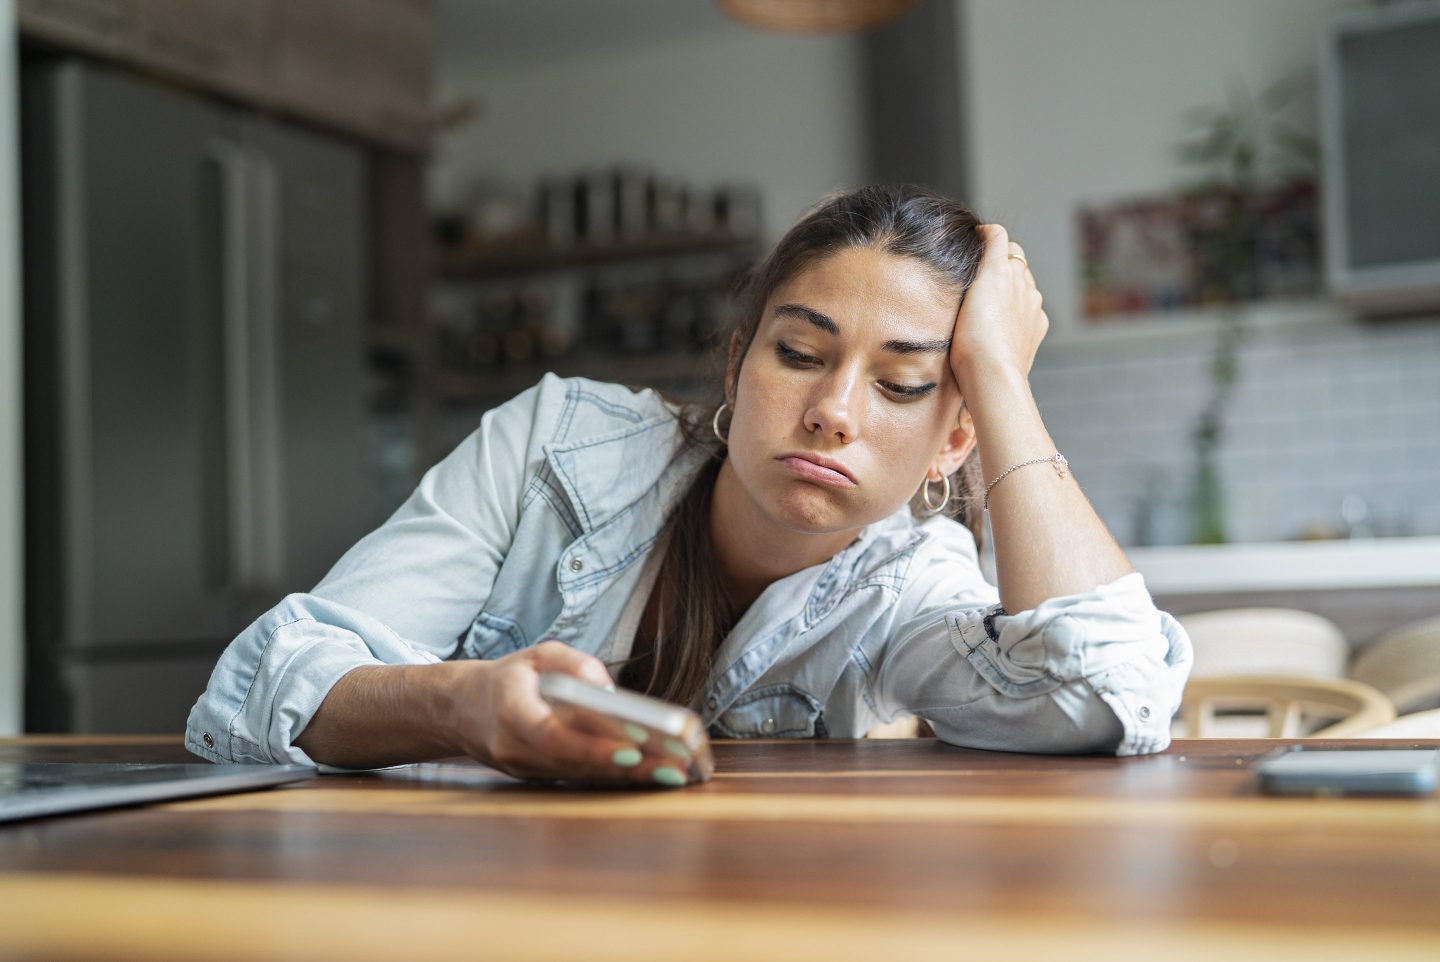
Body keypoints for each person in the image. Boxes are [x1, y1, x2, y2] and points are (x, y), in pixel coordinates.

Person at [186, 184, 1192, 787]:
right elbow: (263, 683)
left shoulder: (912, 580)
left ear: (951, 438)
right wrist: (461, 704)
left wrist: (1004, 383)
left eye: (903, 382)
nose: (835, 408)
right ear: (736, 366)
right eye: (800, 352)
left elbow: (1108, 695)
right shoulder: (555, 443)